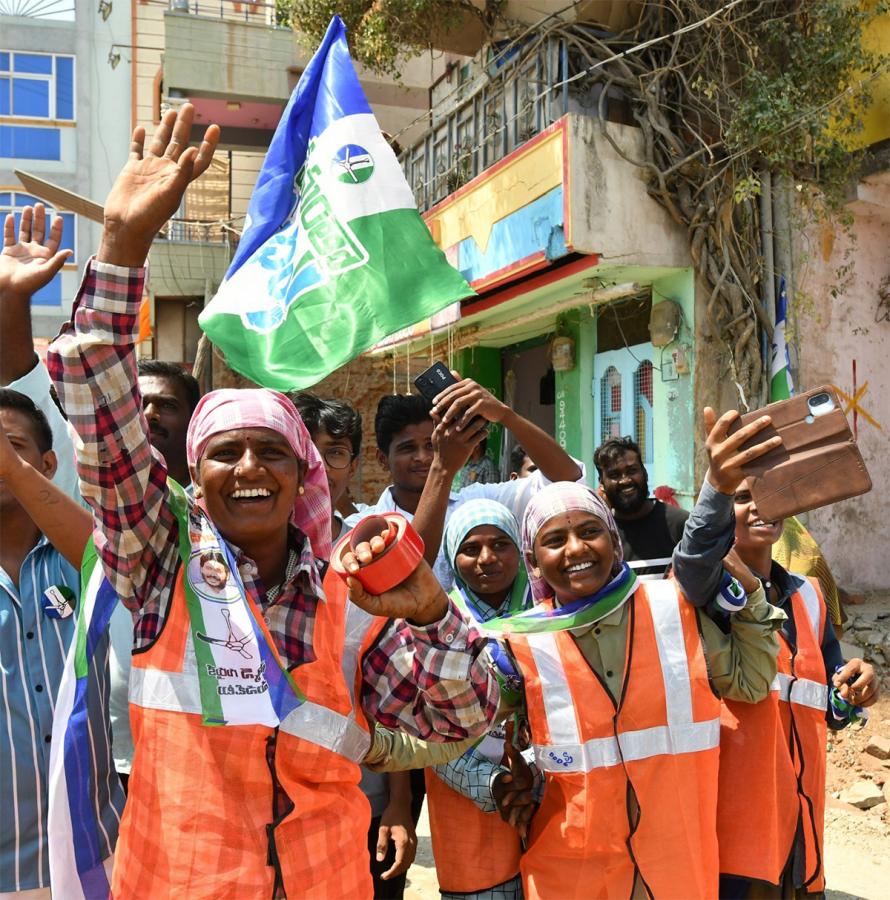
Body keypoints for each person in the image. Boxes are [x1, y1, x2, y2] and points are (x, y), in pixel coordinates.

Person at [46, 103, 498, 898]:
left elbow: (458, 723)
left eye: (272, 454)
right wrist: (122, 246)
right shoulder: (159, 566)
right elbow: (103, 415)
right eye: (224, 453)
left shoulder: (350, 596)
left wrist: (430, 610)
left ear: (304, 478)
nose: (248, 467)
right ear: (195, 472)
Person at [492, 408, 787, 899]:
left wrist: (753, 599)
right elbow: (464, 729)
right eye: (554, 540)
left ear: (614, 539)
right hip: (576, 873)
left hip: (672, 870)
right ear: (532, 559)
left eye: (589, 532)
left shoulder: (671, 608)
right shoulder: (519, 643)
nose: (574, 549)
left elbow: (752, 682)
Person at [672, 412, 879, 897]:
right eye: (741, 498)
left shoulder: (808, 594)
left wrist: (857, 685)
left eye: (765, 494)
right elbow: (692, 561)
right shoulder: (705, 595)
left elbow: (830, 705)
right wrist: (715, 486)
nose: (758, 507)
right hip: (735, 832)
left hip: (801, 823)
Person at [0, 391, 124, 898]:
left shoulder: (82, 555)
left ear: (48, 465)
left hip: (97, 851)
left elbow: (110, 554)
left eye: (11, 446)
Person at [293, 392, 417, 898]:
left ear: (356, 463)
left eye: (336, 451)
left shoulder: (370, 550)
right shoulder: (232, 555)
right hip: (272, 798)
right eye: (308, 449)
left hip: (363, 788)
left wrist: (401, 800)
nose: (322, 466)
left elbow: (395, 691)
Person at [356, 389, 585, 589]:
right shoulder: (365, 527)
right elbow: (409, 577)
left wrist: (506, 416)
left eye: (431, 446)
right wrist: (442, 468)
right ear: (383, 459)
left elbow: (567, 481)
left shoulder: (479, 502)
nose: (423, 458)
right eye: (408, 449)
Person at [424, 499, 531, 900]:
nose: (487, 559)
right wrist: (496, 784)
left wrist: (532, 778)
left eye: (501, 544)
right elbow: (425, 728)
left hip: (545, 796)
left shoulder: (550, 613)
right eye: (471, 549)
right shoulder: (436, 623)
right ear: (453, 556)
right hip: (467, 798)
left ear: (519, 550)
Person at [594, 435, 690, 578]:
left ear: (644, 473)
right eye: (614, 475)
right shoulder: (601, 535)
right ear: (602, 482)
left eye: (632, 471)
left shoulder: (681, 524)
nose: (625, 480)